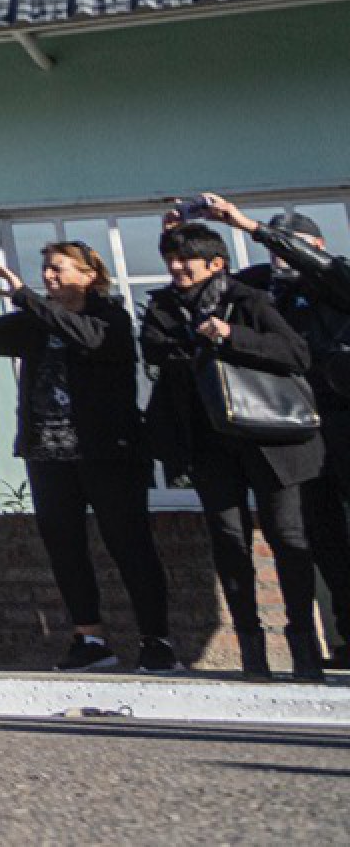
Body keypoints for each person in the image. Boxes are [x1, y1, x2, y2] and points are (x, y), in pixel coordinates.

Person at [0, 243, 170, 672]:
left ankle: (156, 639)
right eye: (45, 268)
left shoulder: (110, 316)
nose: (48, 276)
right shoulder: (34, 321)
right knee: (65, 548)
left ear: (88, 275)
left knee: (130, 545)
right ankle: (90, 639)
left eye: (58, 269)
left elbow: (85, 337)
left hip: (107, 453)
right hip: (48, 453)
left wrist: (24, 296)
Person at [142, 219, 329, 680]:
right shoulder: (163, 306)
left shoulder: (248, 300)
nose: (177, 267)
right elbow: (154, 351)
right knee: (229, 541)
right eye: (171, 258)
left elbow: (296, 354)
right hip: (209, 441)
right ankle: (252, 650)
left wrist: (229, 335)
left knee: (288, 538)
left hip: (270, 438)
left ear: (216, 264)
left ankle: (303, 644)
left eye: (186, 258)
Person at [199, 193, 350, 658]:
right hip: (297, 432)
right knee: (322, 535)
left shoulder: (338, 279)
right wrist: (182, 237)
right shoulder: (264, 289)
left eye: (293, 247)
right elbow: (206, 285)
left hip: (343, 418)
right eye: (275, 250)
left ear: (317, 246)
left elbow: (322, 270)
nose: (281, 258)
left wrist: (248, 225)